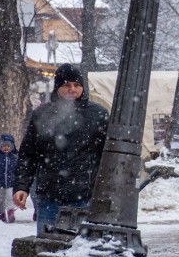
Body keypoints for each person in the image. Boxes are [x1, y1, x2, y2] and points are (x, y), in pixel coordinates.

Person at [13, 63, 109, 235]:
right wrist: (22, 187)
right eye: (66, 85)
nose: (72, 89)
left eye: (77, 85)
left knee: (81, 254)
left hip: (85, 198)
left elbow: (107, 154)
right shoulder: (42, 114)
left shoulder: (98, 115)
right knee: (46, 250)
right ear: (58, 87)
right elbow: (28, 155)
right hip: (49, 198)